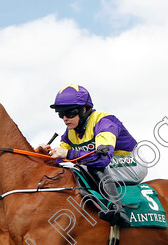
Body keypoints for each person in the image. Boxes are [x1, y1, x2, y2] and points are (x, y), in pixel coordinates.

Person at [39, 85, 147, 227]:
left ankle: (118, 210)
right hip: (111, 165)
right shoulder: (70, 132)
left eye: (70, 113)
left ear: (84, 109)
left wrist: (68, 153)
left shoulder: (105, 122)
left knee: (91, 165)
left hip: (133, 164)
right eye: (61, 114)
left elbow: (102, 159)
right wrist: (43, 155)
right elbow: (59, 160)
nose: (65, 118)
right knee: (71, 169)